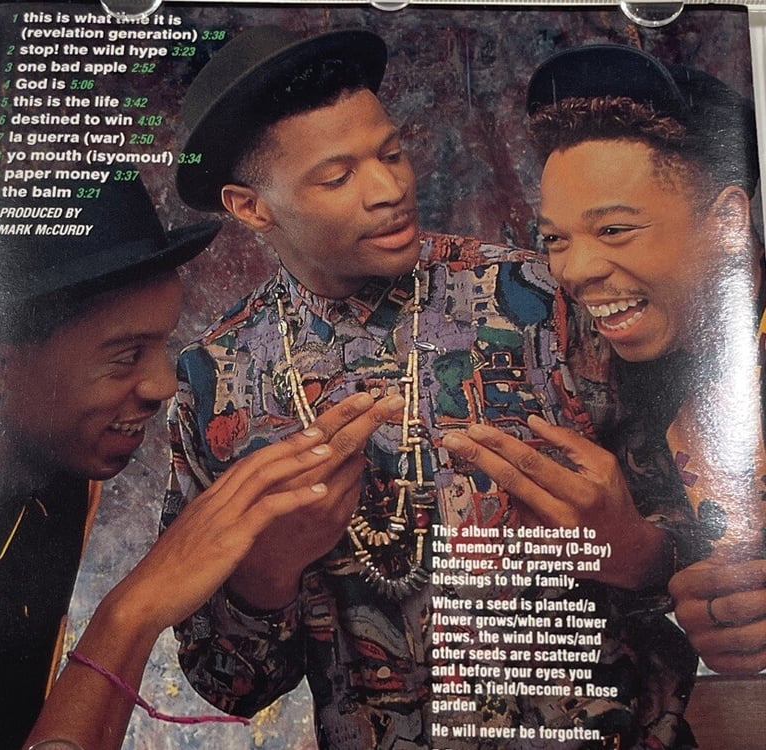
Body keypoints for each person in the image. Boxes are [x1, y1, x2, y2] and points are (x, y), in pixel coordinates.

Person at [165, 26, 698, 749]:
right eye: (337, 177)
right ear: (251, 207)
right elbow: (230, 685)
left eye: (391, 154)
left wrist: (633, 548)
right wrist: (269, 569)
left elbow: (707, 554)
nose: (391, 190)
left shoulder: (549, 298)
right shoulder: (214, 381)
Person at [0, 177, 401, 750]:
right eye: (125, 357)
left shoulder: (62, 483)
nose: (164, 384)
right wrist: (133, 610)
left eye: (162, 345)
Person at [448, 43, 766, 686]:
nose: (576, 270)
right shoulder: (640, 375)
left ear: (729, 220)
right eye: (555, 239)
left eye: (615, 230)